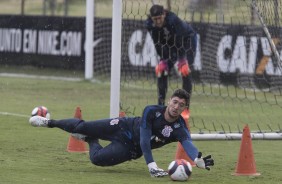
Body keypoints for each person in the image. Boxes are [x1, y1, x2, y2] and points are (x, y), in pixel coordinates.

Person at [29, 89, 214, 177]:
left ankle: (90, 139)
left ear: (185, 108)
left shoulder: (180, 128)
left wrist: (196, 159)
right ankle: (48, 122)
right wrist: (151, 165)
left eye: (181, 105)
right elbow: (144, 139)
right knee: (80, 126)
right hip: (122, 126)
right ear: (169, 101)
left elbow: (188, 143)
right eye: (174, 102)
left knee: (96, 159)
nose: (176, 107)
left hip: (129, 149)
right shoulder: (151, 110)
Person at [145, 4, 197, 114]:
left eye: (159, 18)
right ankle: (160, 106)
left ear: (164, 14)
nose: (158, 22)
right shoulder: (150, 25)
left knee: (185, 71)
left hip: (187, 41)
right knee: (162, 71)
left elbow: (180, 40)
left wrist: (183, 59)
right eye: (155, 19)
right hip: (169, 45)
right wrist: (163, 59)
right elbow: (157, 43)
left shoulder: (173, 20)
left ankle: (185, 109)